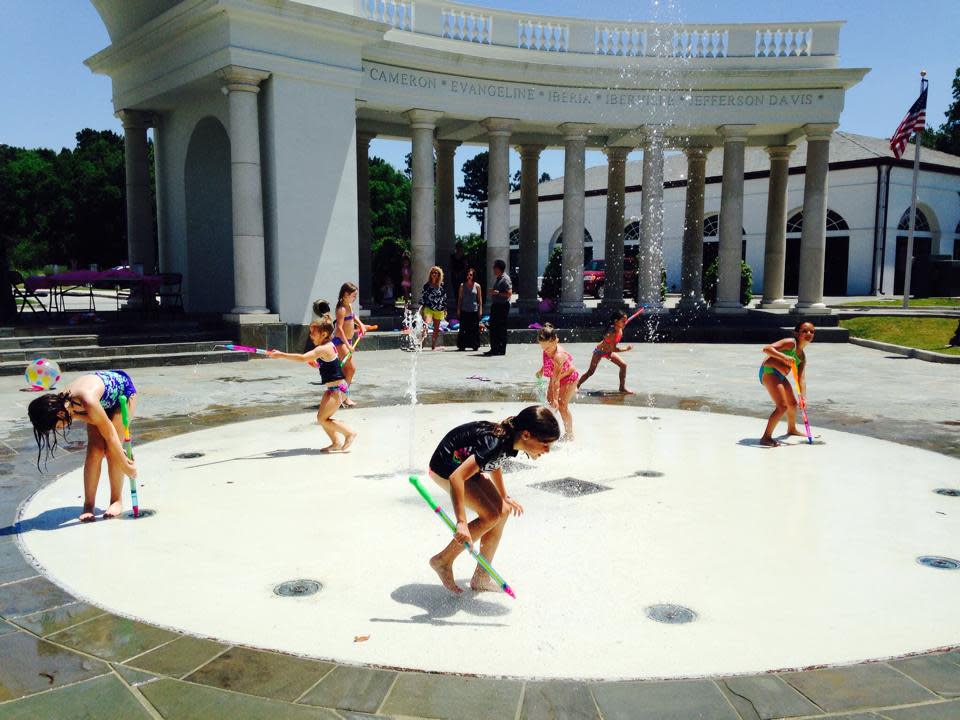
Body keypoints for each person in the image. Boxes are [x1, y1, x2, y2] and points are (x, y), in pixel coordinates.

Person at [426, 405, 560, 594]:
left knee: (503, 511)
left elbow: (494, 462)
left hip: (462, 466)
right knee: (489, 516)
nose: (547, 451)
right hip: (446, 468)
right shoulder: (495, 443)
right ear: (527, 435)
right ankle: (442, 560)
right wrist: (461, 522)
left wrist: (504, 495)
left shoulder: (508, 439)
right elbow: (457, 477)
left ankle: (481, 577)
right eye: (545, 444)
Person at [28, 371, 139, 522]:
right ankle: (88, 504)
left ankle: (116, 500)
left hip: (121, 395)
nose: (59, 429)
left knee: (113, 450)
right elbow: (84, 417)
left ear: (61, 414)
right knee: (95, 450)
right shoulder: (60, 403)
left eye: (57, 427)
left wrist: (125, 465)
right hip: (99, 401)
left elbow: (110, 435)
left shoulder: (86, 400)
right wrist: (75, 415)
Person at [268, 316, 357, 453]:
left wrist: (281, 355)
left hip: (338, 390)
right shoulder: (327, 347)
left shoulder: (324, 348)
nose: (310, 336)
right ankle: (336, 443)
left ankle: (349, 433)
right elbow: (326, 363)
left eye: (312, 333)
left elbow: (302, 357)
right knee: (321, 418)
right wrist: (316, 364)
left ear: (324, 334)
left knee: (322, 419)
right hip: (334, 389)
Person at [758, 321, 815, 447]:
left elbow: (801, 379)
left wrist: (803, 397)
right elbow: (767, 349)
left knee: (793, 404)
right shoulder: (790, 343)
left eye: (812, 331)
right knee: (782, 406)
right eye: (804, 331)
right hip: (769, 370)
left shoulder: (802, 357)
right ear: (796, 333)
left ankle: (791, 429)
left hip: (780, 374)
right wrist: (784, 357)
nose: (809, 333)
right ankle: (766, 437)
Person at [536, 324, 579, 440]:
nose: (546, 351)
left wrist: (556, 398)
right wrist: (542, 370)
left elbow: (555, 381)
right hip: (556, 377)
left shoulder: (559, 356)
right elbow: (547, 361)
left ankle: (569, 434)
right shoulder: (548, 347)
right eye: (543, 348)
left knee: (562, 406)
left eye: (548, 348)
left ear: (556, 340)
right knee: (550, 404)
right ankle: (550, 430)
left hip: (569, 377)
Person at [576, 310, 634, 394]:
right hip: (599, 351)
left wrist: (622, 323)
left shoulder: (619, 327)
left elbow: (611, 349)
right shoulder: (611, 333)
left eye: (626, 320)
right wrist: (626, 349)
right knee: (590, 372)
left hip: (608, 352)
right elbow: (613, 349)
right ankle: (576, 385)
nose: (625, 323)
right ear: (616, 321)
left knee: (623, 365)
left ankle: (622, 388)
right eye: (623, 321)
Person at [333, 283, 366, 407]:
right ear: (346, 294)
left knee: (346, 371)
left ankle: (343, 397)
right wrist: (348, 345)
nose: (355, 298)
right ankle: (342, 397)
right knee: (351, 369)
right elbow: (339, 330)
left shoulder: (349, 306)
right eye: (354, 295)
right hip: (341, 342)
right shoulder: (341, 309)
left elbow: (353, 317)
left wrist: (361, 324)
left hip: (347, 342)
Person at [483, 259, 512, 356]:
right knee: (494, 327)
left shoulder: (505, 279)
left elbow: (509, 293)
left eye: (494, 268)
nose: (493, 269)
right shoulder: (499, 278)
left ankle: (501, 349)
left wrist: (498, 293)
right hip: (496, 305)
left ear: (499, 269)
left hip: (502, 306)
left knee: (501, 328)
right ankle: (494, 348)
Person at [420, 266, 447, 351]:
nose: (434, 274)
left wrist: (445, 309)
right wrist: (422, 308)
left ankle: (433, 345)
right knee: (426, 325)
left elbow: (444, 298)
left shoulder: (441, 286)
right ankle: (421, 343)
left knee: (436, 329)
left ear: (439, 275)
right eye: (433, 273)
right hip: (428, 308)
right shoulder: (427, 285)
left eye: (436, 273)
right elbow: (423, 297)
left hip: (439, 309)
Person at [456, 267, 483, 351]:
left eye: (470, 275)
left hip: (474, 310)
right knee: (463, 328)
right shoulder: (462, 285)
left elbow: (479, 299)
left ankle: (475, 345)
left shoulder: (477, 286)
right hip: (464, 310)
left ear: (473, 276)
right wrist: (458, 309)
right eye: (468, 275)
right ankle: (462, 345)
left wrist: (480, 310)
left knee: (474, 329)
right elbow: (460, 299)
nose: (469, 276)